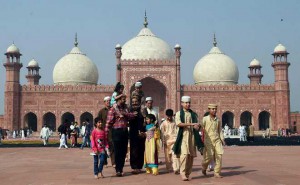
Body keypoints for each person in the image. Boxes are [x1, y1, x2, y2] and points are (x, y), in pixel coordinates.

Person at [173, 96, 204, 181]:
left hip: (192, 137)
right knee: (184, 155)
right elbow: (179, 123)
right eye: (186, 103)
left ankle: (187, 173)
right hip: (183, 136)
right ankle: (182, 173)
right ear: (182, 103)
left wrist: (198, 126)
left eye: (189, 103)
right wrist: (191, 124)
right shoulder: (179, 113)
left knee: (191, 156)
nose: (188, 104)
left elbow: (197, 126)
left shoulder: (193, 114)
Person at [106, 95, 137, 177]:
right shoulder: (113, 109)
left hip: (124, 131)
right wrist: (105, 134)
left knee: (123, 151)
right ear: (119, 100)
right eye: (123, 99)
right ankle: (118, 170)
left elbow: (132, 116)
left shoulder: (125, 108)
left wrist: (124, 114)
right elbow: (109, 122)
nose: (124, 100)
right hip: (116, 131)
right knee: (117, 151)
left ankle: (121, 168)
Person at [201, 104, 225, 178]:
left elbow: (219, 130)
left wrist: (222, 139)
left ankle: (217, 172)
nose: (214, 110)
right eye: (212, 109)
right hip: (208, 140)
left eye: (215, 109)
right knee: (209, 156)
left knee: (219, 156)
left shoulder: (217, 120)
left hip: (217, 140)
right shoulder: (205, 119)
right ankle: (204, 167)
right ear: (209, 110)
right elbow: (201, 128)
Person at [129, 96, 146, 174]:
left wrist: (144, 132)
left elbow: (147, 120)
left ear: (139, 102)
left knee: (141, 150)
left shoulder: (143, 111)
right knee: (133, 150)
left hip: (141, 133)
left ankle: (139, 166)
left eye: (136, 101)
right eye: (133, 102)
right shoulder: (129, 111)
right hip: (133, 133)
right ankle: (134, 167)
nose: (134, 103)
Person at [160, 109, 179, 173]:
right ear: (166, 116)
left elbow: (177, 130)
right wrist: (163, 140)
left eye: (170, 116)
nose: (169, 118)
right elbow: (162, 133)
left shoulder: (175, 122)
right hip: (167, 141)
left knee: (174, 155)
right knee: (167, 156)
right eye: (168, 116)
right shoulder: (164, 123)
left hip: (174, 140)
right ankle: (168, 168)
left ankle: (175, 168)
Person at [98, 96, 115, 167]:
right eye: (107, 101)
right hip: (103, 131)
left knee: (112, 146)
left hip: (111, 131)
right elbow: (98, 121)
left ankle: (113, 162)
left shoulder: (113, 110)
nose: (108, 102)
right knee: (103, 147)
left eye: (109, 101)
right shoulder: (101, 111)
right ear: (104, 102)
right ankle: (105, 162)